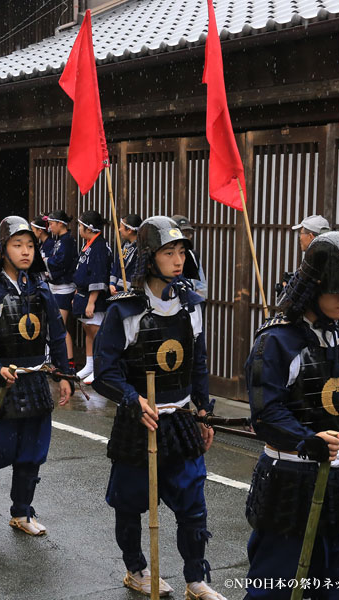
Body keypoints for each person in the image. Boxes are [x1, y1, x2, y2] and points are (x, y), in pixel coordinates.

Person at [243, 232, 339, 600]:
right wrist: (307, 441)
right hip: (290, 478)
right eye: (338, 290)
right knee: (276, 585)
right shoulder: (276, 342)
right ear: (313, 286)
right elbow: (266, 413)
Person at [92, 216, 224, 600]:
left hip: (180, 419)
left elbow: (198, 364)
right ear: (150, 257)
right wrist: (133, 400)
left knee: (193, 504)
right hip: (139, 421)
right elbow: (105, 371)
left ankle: (196, 579)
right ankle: (136, 569)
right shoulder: (124, 311)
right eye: (169, 252)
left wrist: (203, 411)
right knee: (130, 502)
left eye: (182, 251)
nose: (178, 259)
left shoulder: (191, 305)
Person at [0, 216, 73, 534]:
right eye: (17, 245)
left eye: (29, 245)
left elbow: (56, 333)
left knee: (33, 449)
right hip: (0, 379)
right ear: (3, 249)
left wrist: (64, 374)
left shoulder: (41, 288)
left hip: (35, 377)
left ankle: (22, 511)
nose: (25, 251)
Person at [72, 211, 111, 385]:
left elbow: (98, 275)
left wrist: (91, 302)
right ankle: (89, 365)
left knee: (97, 331)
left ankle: (99, 368)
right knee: (88, 330)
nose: (79, 229)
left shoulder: (99, 247)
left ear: (88, 228)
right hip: (82, 292)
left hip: (94, 297)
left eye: (80, 226)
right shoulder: (89, 244)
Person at [46, 210, 78, 369]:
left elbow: (60, 263)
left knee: (60, 326)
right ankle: (59, 360)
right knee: (56, 326)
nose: (49, 227)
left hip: (64, 288)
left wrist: (46, 262)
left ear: (60, 224)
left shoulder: (67, 241)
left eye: (51, 223)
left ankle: (69, 362)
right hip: (57, 287)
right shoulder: (61, 240)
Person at [171, 215, 207, 299]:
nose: (185, 238)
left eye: (188, 234)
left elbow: (201, 286)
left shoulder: (193, 256)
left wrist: (193, 303)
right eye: (182, 234)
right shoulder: (162, 256)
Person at [109, 213, 141, 294]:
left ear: (129, 230)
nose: (119, 229)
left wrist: (122, 288)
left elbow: (133, 273)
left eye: (121, 227)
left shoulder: (139, 249)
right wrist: (112, 283)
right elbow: (117, 265)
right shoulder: (124, 245)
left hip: (129, 292)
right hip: (116, 289)